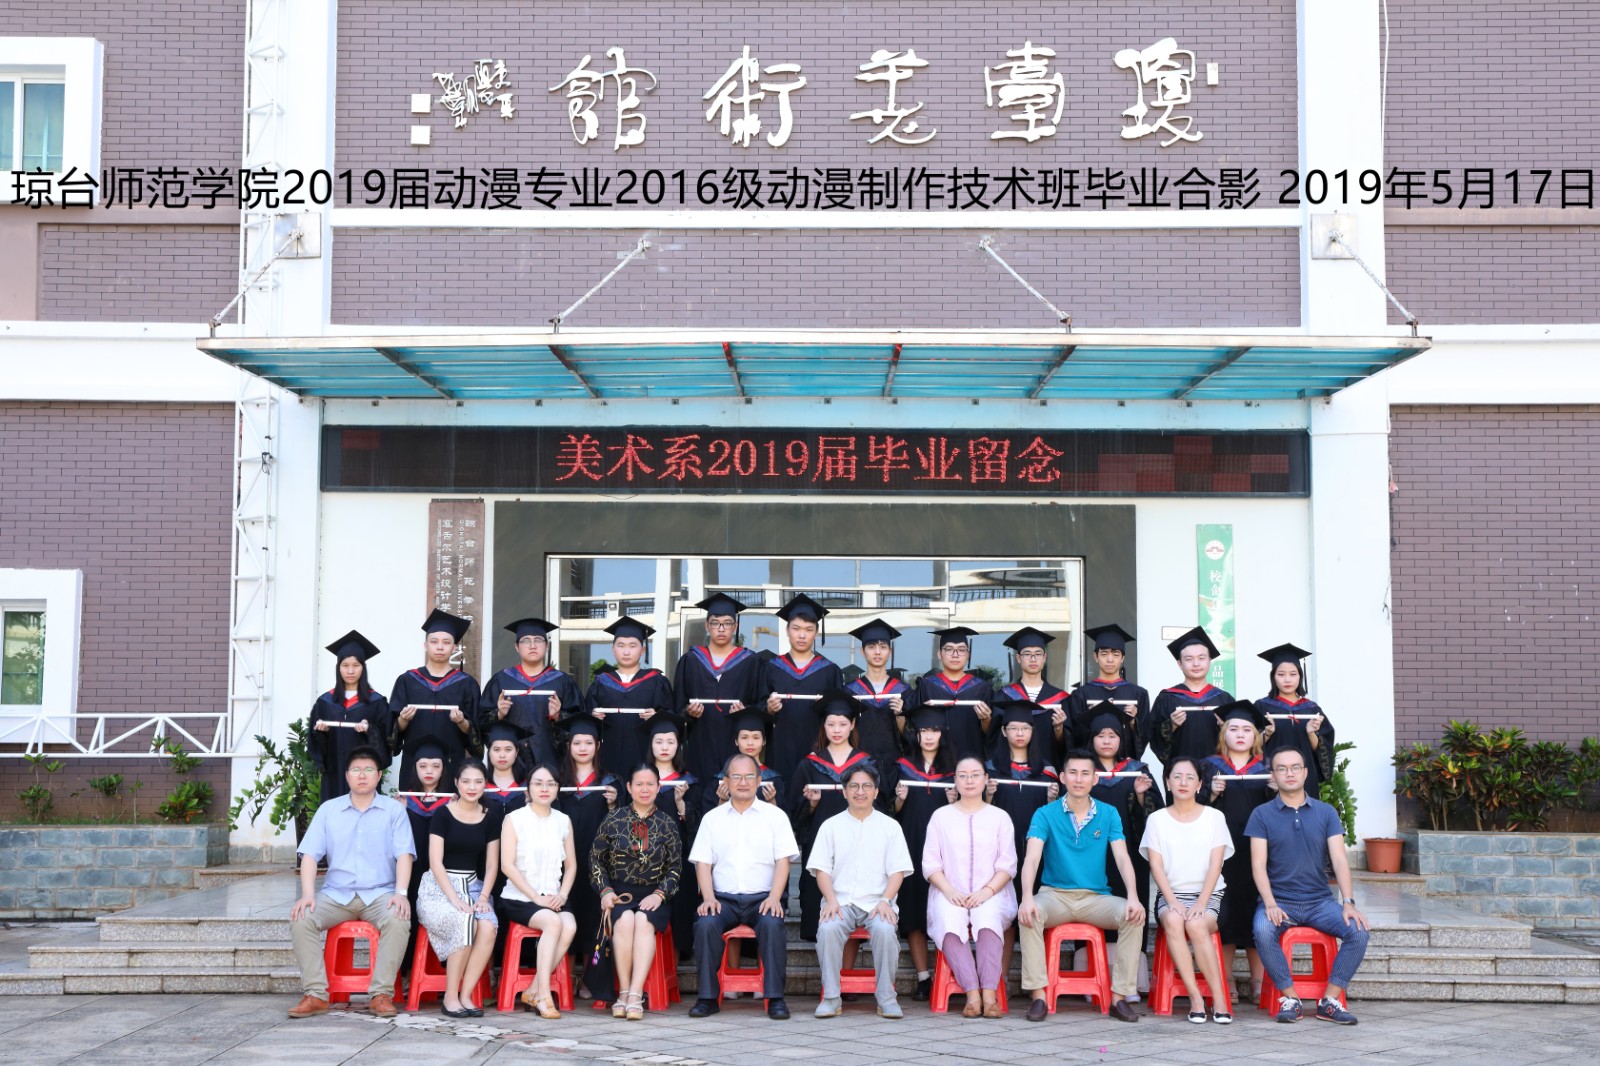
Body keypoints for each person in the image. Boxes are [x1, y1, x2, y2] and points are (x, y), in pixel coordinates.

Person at [1017, 749, 1146, 1024]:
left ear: (1095, 779)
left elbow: (1122, 858)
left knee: (1133, 916)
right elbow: (1032, 858)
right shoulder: (1045, 814)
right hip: (1055, 896)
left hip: (1095, 898)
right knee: (1029, 913)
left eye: (1085, 773)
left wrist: (1133, 897)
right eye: (1073, 773)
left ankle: (1119, 997)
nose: (1079, 779)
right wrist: (1027, 897)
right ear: (1063, 777)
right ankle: (1039, 995)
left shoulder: (1109, 814)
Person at [287, 745, 413, 1019]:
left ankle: (381, 995)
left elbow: (404, 854)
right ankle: (316, 995)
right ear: (346, 776)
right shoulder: (329, 810)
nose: (362, 775)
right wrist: (307, 894)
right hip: (336, 895)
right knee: (302, 918)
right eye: (356, 770)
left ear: (379, 775)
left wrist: (401, 893)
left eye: (368, 769)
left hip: (379, 894)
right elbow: (309, 855)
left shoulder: (393, 810)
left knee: (398, 918)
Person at [1248, 748, 1369, 1025]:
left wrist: (1348, 903)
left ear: (1305, 773)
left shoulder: (1326, 812)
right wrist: (1269, 903)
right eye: (1281, 768)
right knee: (1262, 930)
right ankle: (1290, 998)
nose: (1289, 773)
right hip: (1280, 901)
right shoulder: (1262, 814)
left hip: (1319, 903)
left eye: (1295, 768)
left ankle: (1329, 1001)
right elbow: (1258, 865)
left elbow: (1339, 860)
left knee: (1359, 931)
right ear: (1273, 775)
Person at [687, 752, 802, 1021]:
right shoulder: (712, 818)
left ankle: (775, 998)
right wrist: (708, 898)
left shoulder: (775, 816)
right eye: (736, 776)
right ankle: (707, 997)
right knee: (705, 924)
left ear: (759, 780)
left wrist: (775, 897)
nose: (743, 782)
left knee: (772, 924)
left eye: (749, 776)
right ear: (726, 781)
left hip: (762, 899)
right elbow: (702, 862)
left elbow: (783, 861)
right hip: (723, 900)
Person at [811, 764, 915, 1020]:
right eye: (854, 786)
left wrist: (886, 900)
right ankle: (831, 998)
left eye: (867, 786)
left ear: (876, 792)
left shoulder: (890, 827)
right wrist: (831, 900)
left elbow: (898, 871)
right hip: (840, 902)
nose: (860, 791)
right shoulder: (830, 826)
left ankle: (887, 998)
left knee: (885, 930)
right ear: (844, 791)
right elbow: (821, 869)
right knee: (828, 929)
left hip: (878, 903)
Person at [1140, 755, 1234, 1024]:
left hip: (1211, 895)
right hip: (1172, 894)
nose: (1183, 782)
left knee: (1195, 924)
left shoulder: (1214, 817)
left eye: (1190, 777)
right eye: (1177, 777)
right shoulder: (1157, 819)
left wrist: (1201, 903)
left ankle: (1219, 998)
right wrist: (1172, 902)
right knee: (1173, 919)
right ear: (1167, 783)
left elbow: (1216, 864)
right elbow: (1156, 866)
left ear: (1199, 784)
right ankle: (1195, 998)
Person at [924, 756, 1018, 1018]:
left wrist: (986, 892)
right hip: (948, 891)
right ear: (954, 780)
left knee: (987, 918)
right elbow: (930, 864)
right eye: (962, 775)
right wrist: (949, 891)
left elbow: (1008, 865)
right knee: (949, 919)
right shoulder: (940, 817)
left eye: (975, 774)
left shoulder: (1000, 817)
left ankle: (989, 994)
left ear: (986, 779)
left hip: (992, 892)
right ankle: (972, 994)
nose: (969, 780)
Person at [590, 764, 682, 1021]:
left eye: (650, 784)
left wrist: (660, 894)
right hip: (620, 893)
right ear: (629, 788)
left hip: (654, 895)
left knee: (642, 919)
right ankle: (624, 991)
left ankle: (635, 993)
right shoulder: (614, 819)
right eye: (639, 784)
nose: (644, 789)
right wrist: (605, 891)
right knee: (626, 919)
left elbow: (675, 867)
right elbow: (596, 859)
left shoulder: (667, 823)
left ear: (658, 787)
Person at [786, 690, 877, 943]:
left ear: (852, 725)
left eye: (842, 724)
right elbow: (795, 812)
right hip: (820, 839)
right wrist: (811, 804)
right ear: (823, 726)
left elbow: (879, 806)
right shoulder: (810, 764)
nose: (837, 730)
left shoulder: (866, 764)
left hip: (858, 840)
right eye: (831, 724)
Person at [1200, 700, 1275, 1005]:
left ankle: (1258, 980)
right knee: (1227, 914)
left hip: (1259, 853)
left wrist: (1275, 790)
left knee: (1255, 912)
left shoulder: (1267, 767)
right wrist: (1210, 793)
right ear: (1224, 734)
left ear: (1256, 735)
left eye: (1246, 729)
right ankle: (1226, 978)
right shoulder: (1209, 766)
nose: (1240, 734)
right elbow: (1193, 809)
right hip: (1221, 853)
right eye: (1234, 729)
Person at [416, 758, 502, 1017]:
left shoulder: (490, 817)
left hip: (474, 887)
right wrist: (454, 900)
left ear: (485, 785)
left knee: (488, 927)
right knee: (465, 921)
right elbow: (435, 862)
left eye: (478, 782)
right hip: (439, 888)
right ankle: (450, 997)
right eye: (466, 781)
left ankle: (466, 995)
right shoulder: (443, 814)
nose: (472, 787)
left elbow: (492, 864)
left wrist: (484, 897)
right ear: (456, 783)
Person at [1087, 709, 1162, 999]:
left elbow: (1156, 815)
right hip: (1090, 855)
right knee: (1092, 911)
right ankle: (1093, 979)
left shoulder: (1137, 770)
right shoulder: (1083, 770)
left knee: (1130, 911)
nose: (1107, 741)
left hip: (1129, 855)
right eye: (1100, 735)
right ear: (1092, 739)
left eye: (1113, 735)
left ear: (1122, 739)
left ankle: (1128, 982)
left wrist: (1142, 794)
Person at [985, 699, 1060, 988]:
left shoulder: (1047, 771)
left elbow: (1057, 817)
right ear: (1003, 731)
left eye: (1025, 728)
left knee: (1033, 914)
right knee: (1005, 914)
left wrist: (1052, 800)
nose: (1019, 733)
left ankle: (1036, 982)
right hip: (999, 854)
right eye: (1014, 728)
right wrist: (988, 796)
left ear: (1032, 731)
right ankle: (999, 980)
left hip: (1037, 853)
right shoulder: (991, 770)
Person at [499, 763, 579, 1019]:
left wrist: (563, 894)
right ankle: (543, 994)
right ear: (528, 788)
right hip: (520, 897)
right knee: (554, 923)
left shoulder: (563, 821)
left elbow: (571, 865)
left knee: (570, 925)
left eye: (550, 784)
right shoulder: (514, 819)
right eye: (538, 783)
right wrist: (536, 898)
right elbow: (507, 865)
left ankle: (533, 990)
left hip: (553, 895)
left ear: (557, 789)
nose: (544, 789)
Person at [892, 705, 956, 1000]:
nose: (929, 736)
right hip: (911, 846)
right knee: (913, 912)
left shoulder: (955, 771)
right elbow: (893, 814)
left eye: (934, 731)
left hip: (946, 851)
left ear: (943, 734)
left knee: (946, 911)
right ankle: (923, 978)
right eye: (923, 731)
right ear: (916, 735)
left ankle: (948, 972)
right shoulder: (903, 767)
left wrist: (955, 801)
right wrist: (899, 800)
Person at [553, 712, 619, 1000]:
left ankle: (591, 979)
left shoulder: (610, 781)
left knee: (594, 919)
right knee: (567, 913)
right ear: (569, 746)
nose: (582, 748)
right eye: (577, 742)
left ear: (598, 745)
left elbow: (619, 825)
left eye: (588, 742)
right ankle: (564, 976)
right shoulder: (558, 781)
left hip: (598, 863)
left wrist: (614, 804)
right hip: (563, 862)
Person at [675, 592, 765, 784]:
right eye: (715, 623)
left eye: (727, 623)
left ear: (735, 626)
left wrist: (746, 712)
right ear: (707, 626)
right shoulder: (691, 661)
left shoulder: (750, 662)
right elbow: (677, 706)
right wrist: (688, 712)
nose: (721, 628)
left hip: (736, 746)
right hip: (700, 744)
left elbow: (761, 705)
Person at [390, 608, 481, 789]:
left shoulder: (466, 684)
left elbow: (476, 732)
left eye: (446, 642)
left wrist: (462, 721)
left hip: (452, 763)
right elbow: (393, 728)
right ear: (426, 645)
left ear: (454, 647)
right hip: (415, 764)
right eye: (434, 642)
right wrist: (403, 719)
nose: (440, 647)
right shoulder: (407, 680)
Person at [762, 593, 843, 783]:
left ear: (816, 633)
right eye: (796, 628)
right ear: (787, 630)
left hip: (818, 750)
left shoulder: (829, 670)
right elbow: (757, 706)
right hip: (780, 749)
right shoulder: (771, 668)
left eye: (808, 629)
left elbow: (840, 714)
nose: (801, 635)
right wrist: (768, 708)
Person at [481, 616, 581, 769]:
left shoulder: (562, 682)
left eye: (538, 640)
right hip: (510, 765)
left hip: (551, 763)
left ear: (546, 646)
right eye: (526, 641)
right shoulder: (501, 680)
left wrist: (558, 716)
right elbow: (481, 724)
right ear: (516, 647)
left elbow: (579, 725)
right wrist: (498, 714)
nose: (532, 645)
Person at [585, 616, 677, 778]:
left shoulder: (656, 681)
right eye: (621, 646)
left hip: (645, 756)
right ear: (613, 650)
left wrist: (657, 717)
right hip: (608, 757)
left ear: (642, 650)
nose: (626, 652)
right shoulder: (601, 682)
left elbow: (670, 720)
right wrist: (593, 718)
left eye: (632, 646)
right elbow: (586, 723)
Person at [308, 630, 391, 804]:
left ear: (363, 668)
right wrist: (321, 733)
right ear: (338, 667)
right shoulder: (325, 702)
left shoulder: (376, 702)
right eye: (345, 665)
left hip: (364, 775)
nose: (350, 671)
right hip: (334, 774)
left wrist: (370, 730)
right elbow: (315, 748)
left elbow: (387, 741)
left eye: (356, 665)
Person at [648, 717, 700, 961]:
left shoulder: (688, 782)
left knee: (679, 909)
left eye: (670, 742)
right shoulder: (642, 780)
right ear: (651, 745)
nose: (664, 747)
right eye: (659, 741)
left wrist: (681, 805)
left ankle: (675, 960)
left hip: (678, 858)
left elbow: (696, 828)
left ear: (678, 746)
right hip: (645, 858)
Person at [1256, 643, 1336, 799]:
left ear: (1300, 676)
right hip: (1273, 778)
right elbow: (1251, 746)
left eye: (1293, 674)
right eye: (1281, 674)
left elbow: (1322, 749)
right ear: (1273, 677)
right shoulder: (1262, 707)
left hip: (1305, 777)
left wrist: (1311, 733)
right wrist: (1267, 733)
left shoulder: (1311, 709)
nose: (1287, 679)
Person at [398, 740, 451, 968]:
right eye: (423, 766)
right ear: (415, 768)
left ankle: (442, 970)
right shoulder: (404, 800)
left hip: (442, 871)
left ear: (443, 769)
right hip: (412, 871)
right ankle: (409, 969)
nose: (429, 771)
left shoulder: (452, 800)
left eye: (436, 766)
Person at [1147, 626, 1233, 765]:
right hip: (1180, 772)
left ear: (1209, 661)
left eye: (1201, 658)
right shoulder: (1167, 698)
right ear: (1180, 664)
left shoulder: (1224, 699)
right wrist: (1170, 725)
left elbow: (1239, 741)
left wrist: (1226, 728)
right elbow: (1152, 736)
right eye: (1189, 659)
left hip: (1216, 772)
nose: (1196, 664)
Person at [845, 618, 915, 779]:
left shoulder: (903, 692)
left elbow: (912, 738)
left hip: (894, 768)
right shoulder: (850, 692)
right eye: (871, 647)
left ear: (890, 651)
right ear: (862, 652)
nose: (877, 652)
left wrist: (900, 715)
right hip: (859, 766)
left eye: (883, 647)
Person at [1069, 623, 1150, 757]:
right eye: (1104, 654)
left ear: (1123, 658)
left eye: (1116, 654)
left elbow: (1145, 738)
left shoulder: (1138, 694)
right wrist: (1089, 718)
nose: (1110, 659)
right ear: (1096, 656)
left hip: (1125, 764)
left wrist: (1133, 722)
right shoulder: (1081, 695)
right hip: (1092, 765)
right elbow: (1075, 738)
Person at [914, 626, 993, 763]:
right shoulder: (926, 686)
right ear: (939, 654)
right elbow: (914, 728)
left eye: (961, 650)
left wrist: (986, 719)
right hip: (936, 762)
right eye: (949, 649)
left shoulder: (982, 688)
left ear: (968, 654)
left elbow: (992, 733)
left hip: (972, 761)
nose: (955, 654)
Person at [995, 626, 1066, 767]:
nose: (1033, 659)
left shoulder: (1060, 698)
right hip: (1012, 770)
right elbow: (995, 737)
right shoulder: (1004, 696)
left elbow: (1067, 745)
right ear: (1018, 658)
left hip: (1047, 769)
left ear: (1044, 657)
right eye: (1027, 654)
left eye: (1038, 654)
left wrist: (1059, 729)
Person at [707, 707, 784, 809]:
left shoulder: (773, 780)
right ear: (736, 741)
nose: (750, 743)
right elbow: (709, 816)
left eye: (756, 737)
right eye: (744, 737)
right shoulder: (721, 780)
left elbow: (783, 817)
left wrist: (772, 801)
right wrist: (722, 801)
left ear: (764, 741)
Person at [482, 719, 532, 818]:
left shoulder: (528, 786)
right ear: (489, 752)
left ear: (516, 752)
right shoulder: (481, 786)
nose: (502, 755)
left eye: (508, 749)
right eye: (496, 750)